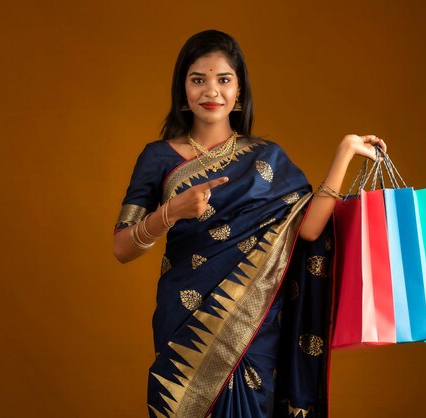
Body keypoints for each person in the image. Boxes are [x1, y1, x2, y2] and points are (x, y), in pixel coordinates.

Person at [113, 29, 387, 418]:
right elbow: (122, 247)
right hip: (184, 322)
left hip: (253, 326)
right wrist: (169, 213)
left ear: (239, 91)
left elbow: (307, 229)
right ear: (183, 90)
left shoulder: (268, 158)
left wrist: (344, 152)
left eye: (224, 80)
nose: (212, 91)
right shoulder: (157, 157)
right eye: (198, 80)